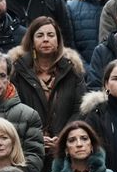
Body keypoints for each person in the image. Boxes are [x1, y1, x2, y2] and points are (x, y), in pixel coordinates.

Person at [9, 17, 86, 152]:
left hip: (66, 146)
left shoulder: (73, 70)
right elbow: (13, 111)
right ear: (32, 41)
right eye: (40, 35)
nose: (45, 39)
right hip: (27, 147)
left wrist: (64, 136)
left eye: (50, 35)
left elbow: (79, 110)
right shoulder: (18, 70)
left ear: (58, 41)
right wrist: (35, 136)